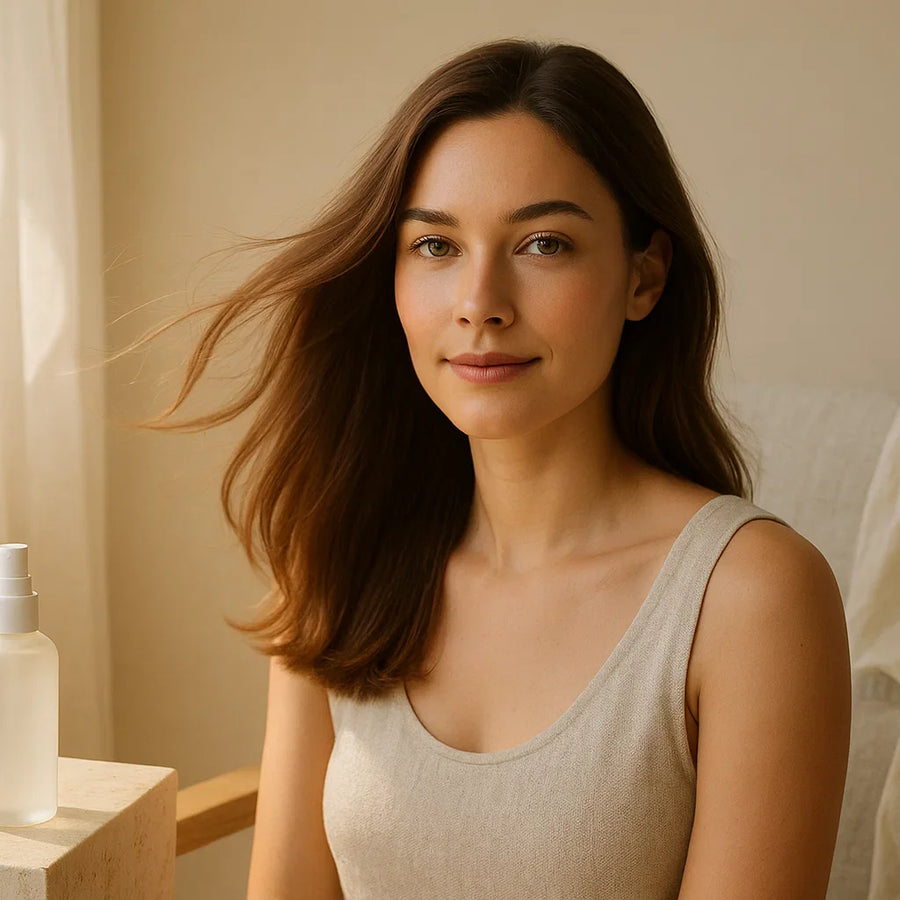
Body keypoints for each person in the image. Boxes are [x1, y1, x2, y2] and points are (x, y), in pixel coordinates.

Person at [118, 37, 851, 900]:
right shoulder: (343, 560)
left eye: (543, 244)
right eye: (436, 247)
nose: (479, 305)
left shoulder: (751, 597)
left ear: (644, 277)